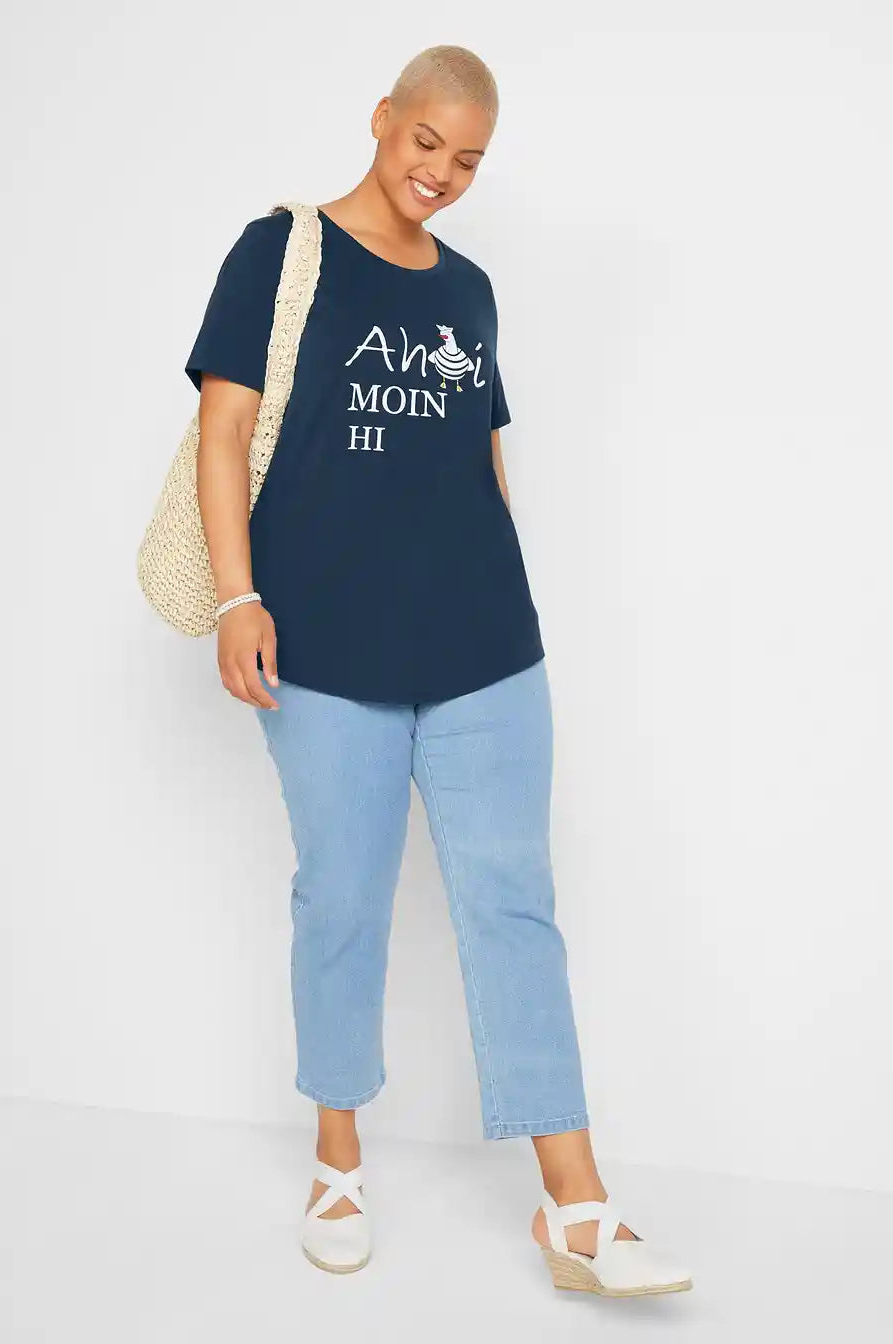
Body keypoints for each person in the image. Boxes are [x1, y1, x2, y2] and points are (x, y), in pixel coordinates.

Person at [183, 44, 692, 1297]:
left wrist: (510, 593)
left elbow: (482, 461)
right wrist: (239, 598)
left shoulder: (470, 290)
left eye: (467, 160)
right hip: (325, 648)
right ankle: (337, 1160)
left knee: (515, 903)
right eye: (428, 144)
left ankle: (576, 1207)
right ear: (383, 120)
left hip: (485, 649)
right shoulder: (281, 252)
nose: (443, 175)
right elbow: (225, 428)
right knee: (342, 902)